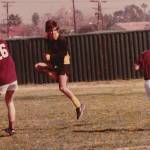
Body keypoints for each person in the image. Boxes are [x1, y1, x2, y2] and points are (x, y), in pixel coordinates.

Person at [35, 20, 85, 120]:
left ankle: (79, 106)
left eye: (54, 30)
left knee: (62, 87)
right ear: (47, 31)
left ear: (57, 30)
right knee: (37, 66)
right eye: (50, 31)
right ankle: (50, 71)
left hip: (64, 63)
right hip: (56, 63)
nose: (52, 32)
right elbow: (49, 53)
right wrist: (47, 59)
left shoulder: (62, 40)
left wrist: (50, 57)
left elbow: (62, 55)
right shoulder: (48, 40)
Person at [0, 37, 17, 135]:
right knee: (9, 101)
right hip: (12, 75)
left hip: (2, 77)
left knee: (9, 101)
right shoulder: (2, 40)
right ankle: (12, 128)